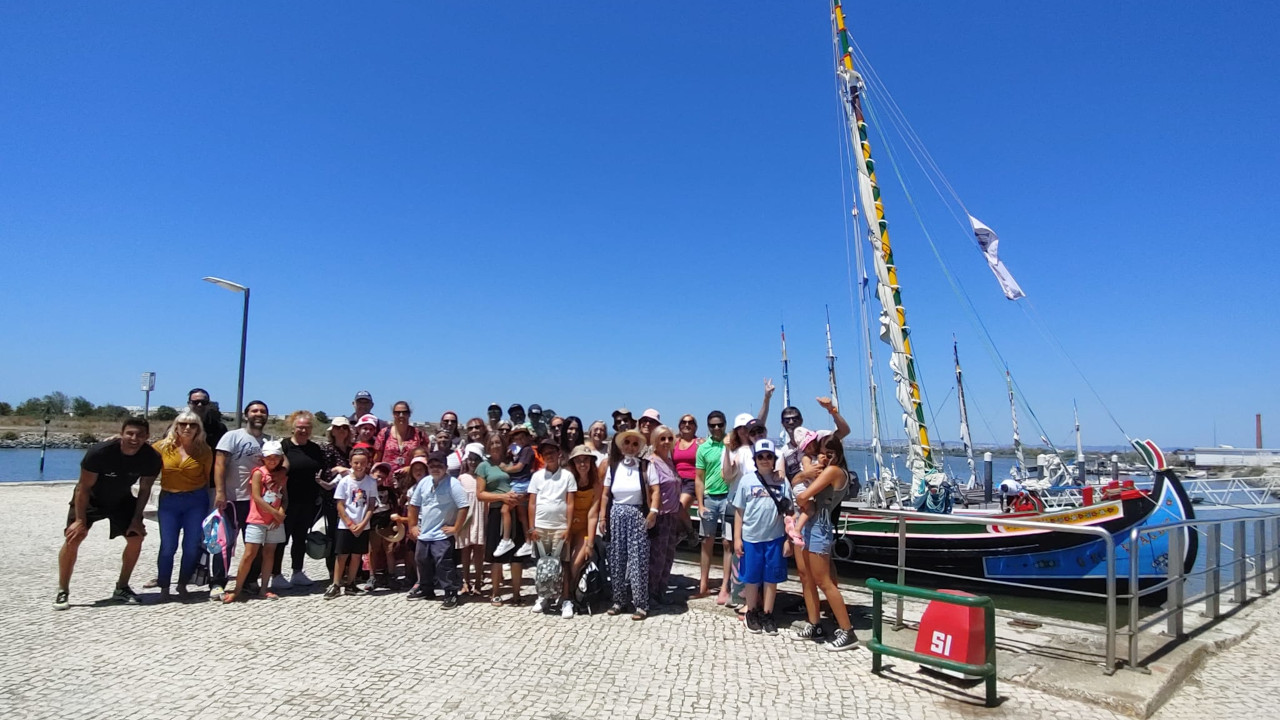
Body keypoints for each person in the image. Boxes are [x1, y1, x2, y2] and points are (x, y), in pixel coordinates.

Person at [55, 417, 163, 610]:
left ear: (147, 436)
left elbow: (145, 489)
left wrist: (137, 519)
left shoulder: (151, 457)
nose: (134, 438)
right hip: (91, 498)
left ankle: (122, 587)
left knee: (136, 537)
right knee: (73, 537)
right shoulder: (100, 452)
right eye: (130, 433)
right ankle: (63, 589)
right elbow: (83, 488)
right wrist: (80, 520)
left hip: (121, 499)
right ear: (121, 433)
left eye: (139, 435)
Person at [793, 433, 859, 651]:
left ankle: (847, 631)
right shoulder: (828, 470)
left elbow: (802, 496)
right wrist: (804, 476)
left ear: (838, 454)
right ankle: (815, 624)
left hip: (820, 527)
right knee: (806, 578)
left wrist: (804, 478)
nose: (825, 457)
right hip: (812, 525)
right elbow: (796, 483)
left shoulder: (833, 471)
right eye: (822, 453)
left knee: (823, 581)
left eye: (830, 454)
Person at [210, 400, 270, 600]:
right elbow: (219, 465)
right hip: (232, 499)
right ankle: (218, 583)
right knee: (225, 543)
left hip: (256, 502)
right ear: (246, 415)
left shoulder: (268, 442)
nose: (258, 414)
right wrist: (220, 492)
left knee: (254, 544)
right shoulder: (232, 437)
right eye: (254, 411)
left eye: (262, 411)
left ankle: (249, 581)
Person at [733, 439, 793, 635]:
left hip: (775, 538)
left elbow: (789, 512)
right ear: (755, 459)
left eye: (769, 456)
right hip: (751, 538)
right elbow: (739, 512)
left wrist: (788, 539)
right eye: (761, 457)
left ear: (774, 459)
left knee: (771, 578)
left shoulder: (782, 482)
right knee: (751, 578)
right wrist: (737, 538)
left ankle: (767, 613)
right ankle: (751, 611)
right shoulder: (747, 481)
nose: (765, 460)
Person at [600, 429, 660, 620]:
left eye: (635, 444)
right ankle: (619, 601)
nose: (631, 447)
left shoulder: (646, 466)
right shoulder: (613, 467)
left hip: (637, 513)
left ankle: (641, 604)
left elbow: (656, 490)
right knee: (617, 558)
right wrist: (603, 517)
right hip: (616, 513)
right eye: (627, 443)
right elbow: (605, 494)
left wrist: (653, 512)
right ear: (621, 445)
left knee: (638, 559)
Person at [152, 411, 213, 601]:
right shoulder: (161, 448)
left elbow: (207, 477)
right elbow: (142, 462)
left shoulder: (205, 451)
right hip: (169, 500)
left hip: (195, 501)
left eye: (192, 425)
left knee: (191, 546)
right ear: (175, 426)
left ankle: (182, 584)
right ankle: (163, 586)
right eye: (183, 424)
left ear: (198, 429)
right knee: (168, 546)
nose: (187, 428)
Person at [223, 441, 288, 603]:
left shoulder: (281, 475)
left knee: (269, 553)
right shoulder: (259, 473)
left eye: (276, 457)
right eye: (269, 457)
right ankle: (237, 589)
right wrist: (274, 513)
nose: (272, 460)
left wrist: (281, 513)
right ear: (263, 458)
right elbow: (257, 497)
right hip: (258, 518)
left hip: (275, 521)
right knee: (250, 554)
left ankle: (264, 588)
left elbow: (285, 497)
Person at [406, 453, 470, 609]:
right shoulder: (424, 482)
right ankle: (426, 589)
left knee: (444, 563)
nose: (435, 469)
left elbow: (464, 506)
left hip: (442, 534)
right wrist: (412, 526)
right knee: (422, 560)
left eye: (439, 466)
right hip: (425, 533)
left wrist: (456, 527)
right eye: (432, 466)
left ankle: (450, 593)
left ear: (446, 468)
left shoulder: (453, 484)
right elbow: (413, 505)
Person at [276, 410, 329, 589]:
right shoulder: (283, 446)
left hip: (308, 501)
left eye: (307, 427)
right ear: (292, 428)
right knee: (281, 539)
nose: (303, 431)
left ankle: (297, 571)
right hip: (287, 500)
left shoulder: (315, 449)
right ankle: (276, 574)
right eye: (300, 427)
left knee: (300, 539)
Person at [526, 439, 577, 617]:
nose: (550, 456)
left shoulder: (567, 476)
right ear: (542, 456)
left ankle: (565, 599)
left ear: (559, 454)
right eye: (546, 453)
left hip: (560, 527)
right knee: (542, 563)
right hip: (541, 527)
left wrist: (568, 527)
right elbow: (532, 503)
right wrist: (532, 527)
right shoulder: (537, 476)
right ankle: (543, 596)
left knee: (562, 564)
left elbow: (570, 503)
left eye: (552, 452)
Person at [478, 435, 528, 605]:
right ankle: (496, 592)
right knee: (496, 555)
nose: (495, 445)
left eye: (498, 442)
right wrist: (503, 496)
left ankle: (516, 594)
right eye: (491, 442)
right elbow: (480, 494)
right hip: (496, 511)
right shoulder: (483, 466)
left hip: (515, 509)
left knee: (516, 556)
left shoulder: (511, 463)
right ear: (487, 446)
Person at [326, 447, 378, 599]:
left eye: (362, 463)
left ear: (367, 464)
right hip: (345, 524)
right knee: (341, 555)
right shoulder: (345, 482)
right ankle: (336, 584)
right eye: (356, 463)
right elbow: (340, 505)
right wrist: (349, 523)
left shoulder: (371, 482)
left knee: (357, 555)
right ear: (350, 463)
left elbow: (371, 505)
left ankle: (350, 583)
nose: (359, 466)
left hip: (363, 524)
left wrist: (363, 524)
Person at [695, 410, 731, 600]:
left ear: (725, 424)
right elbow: (699, 478)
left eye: (720, 424)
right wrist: (700, 505)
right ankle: (703, 584)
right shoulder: (703, 448)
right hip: (710, 498)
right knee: (706, 541)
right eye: (712, 425)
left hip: (728, 497)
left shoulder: (731, 443)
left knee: (728, 542)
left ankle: (725, 586)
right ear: (708, 426)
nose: (716, 428)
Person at [646, 426, 683, 606]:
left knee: (668, 556)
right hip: (659, 516)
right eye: (662, 439)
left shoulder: (669, 461)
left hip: (672, 515)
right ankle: (650, 594)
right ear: (655, 441)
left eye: (669, 438)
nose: (666, 442)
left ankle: (661, 591)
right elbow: (650, 490)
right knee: (656, 558)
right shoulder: (651, 462)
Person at [564, 445, 602, 616]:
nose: (582, 464)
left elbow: (593, 515)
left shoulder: (596, 485)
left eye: (585, 460)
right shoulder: (567, 481)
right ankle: (565, 594)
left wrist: (590, 543)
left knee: (576, 562)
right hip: (566, 525)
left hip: (583, 528)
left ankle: (572, 594)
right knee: (562, 561)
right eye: (578, 461)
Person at [455, 443, 488, 596]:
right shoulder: (461, 478)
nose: (473, 462)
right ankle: (465, 580)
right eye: (470, 459)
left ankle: (478, 581)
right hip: (466, 515)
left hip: (480, 514)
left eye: (476, 459)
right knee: (465, 549)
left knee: (479, 549)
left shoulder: (484, 478)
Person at [497, 425, 535, 558]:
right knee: (522, 515)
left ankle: (506, 539)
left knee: (505, 509)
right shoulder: (518, 450)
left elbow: (519, 467)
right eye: (517, 438)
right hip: (520, 483)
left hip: (521, 484)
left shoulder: (527, 450)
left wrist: (504, 468)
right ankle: (528, 541)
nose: (520, 440)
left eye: (522, 437)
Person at [374, 401, 429, 472]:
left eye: (405, 412)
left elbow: (425, 458)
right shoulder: (384, 433)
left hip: (411, 479)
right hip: (387, 480)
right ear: (393, 414)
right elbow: (377, 459)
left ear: (409, 414)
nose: (401, 415)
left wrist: (410, 468)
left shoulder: (419, 434)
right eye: (397, 412)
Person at [672, 414, 702, 537]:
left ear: (695, 427)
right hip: (676, 480)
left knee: (680, 507)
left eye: (690, 422)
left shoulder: (699, 443)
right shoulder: (674, 442)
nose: (687, 425)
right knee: (672, 511)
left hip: (691, 481)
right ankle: (679, 534)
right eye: (684, 422)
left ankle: (690, 531)